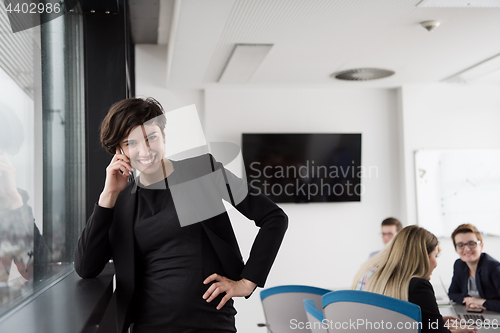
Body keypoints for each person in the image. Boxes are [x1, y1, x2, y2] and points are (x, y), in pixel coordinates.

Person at [74, 98, 288, 333]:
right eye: (131, 142)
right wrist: (108, 195)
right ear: (120, 151)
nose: (144, 151)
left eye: (151, 137)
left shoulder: (201, 171)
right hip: (148, 327)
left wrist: (247, 282)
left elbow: (274, 218)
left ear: (163, 134)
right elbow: (86, 267)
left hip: (209, 324)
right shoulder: (120, 200)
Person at [361, 225, 476, 333]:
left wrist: (434, 322)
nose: (436, 264)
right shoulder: (418, 286)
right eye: (435, 256)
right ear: (424, 257)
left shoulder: (376, 279)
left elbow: (398, 323)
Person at [448, 223, 500, 313]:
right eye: (460, 245)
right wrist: (469, 300)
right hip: (477, 313)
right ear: (456, 249)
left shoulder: (493, 268)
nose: (467, 249)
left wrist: (483, 302)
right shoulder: (459, 264)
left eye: (472, 243)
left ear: (481, 246)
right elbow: (453, 293)